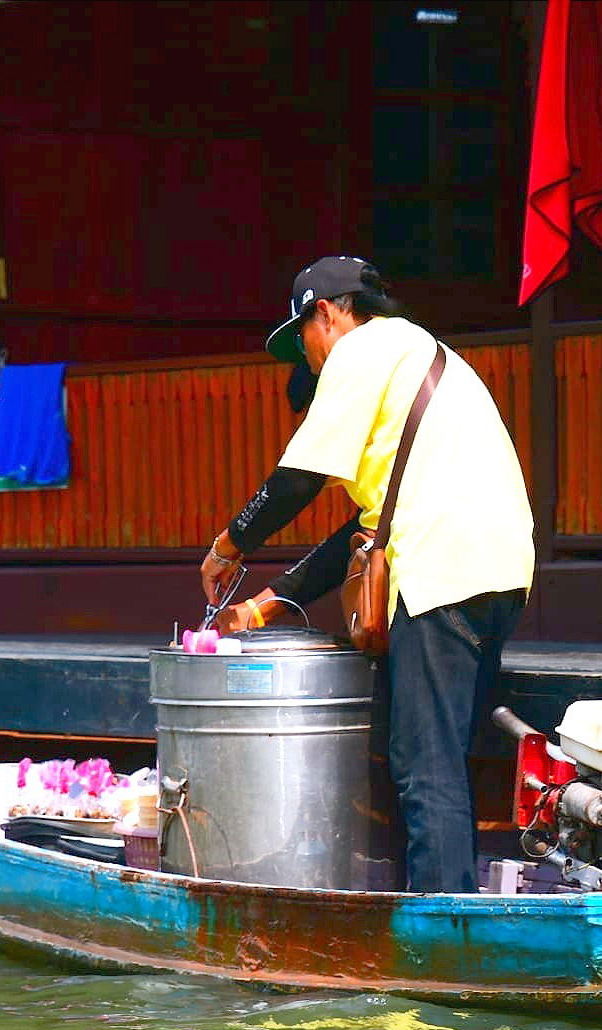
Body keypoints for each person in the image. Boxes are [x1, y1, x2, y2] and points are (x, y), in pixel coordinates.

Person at [198, 256, 535, 894]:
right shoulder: (427, 355)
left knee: (422, 764)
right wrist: (268, 603)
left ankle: (442, 940)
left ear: (325, 313)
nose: (308, 356)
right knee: (442, 759)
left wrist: (229, 544)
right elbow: (366, 526)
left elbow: (296, 481)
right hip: (500, 575)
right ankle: (453, 908)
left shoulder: (362, 350)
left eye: (302, 338)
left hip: (441, 575)